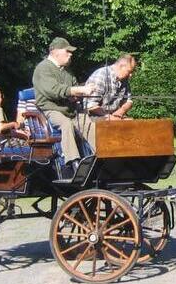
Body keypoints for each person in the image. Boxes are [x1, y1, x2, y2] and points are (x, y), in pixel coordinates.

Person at [32, 37, 94, 179]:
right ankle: (74, 163)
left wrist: (78, 94)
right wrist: (78, 90)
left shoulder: (68, 71)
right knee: (65, 124)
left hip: (70, 110)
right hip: (50, 109)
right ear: (55, 52)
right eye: (67, 51)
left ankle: (100, 157)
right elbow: (53, 90)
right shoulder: (43, 68)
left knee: (89, 123)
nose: (70, 54)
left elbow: (73, 87)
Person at [85, 54, 136, 120]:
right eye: (129, 71)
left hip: (114, 115)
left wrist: (121, 111)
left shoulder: (124, 79)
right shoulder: (101, 75)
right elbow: (91, 105)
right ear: (121, 66)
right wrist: (109, 117)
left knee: (132, 123)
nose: (131, 75)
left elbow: (128, 101)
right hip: (95, 116)